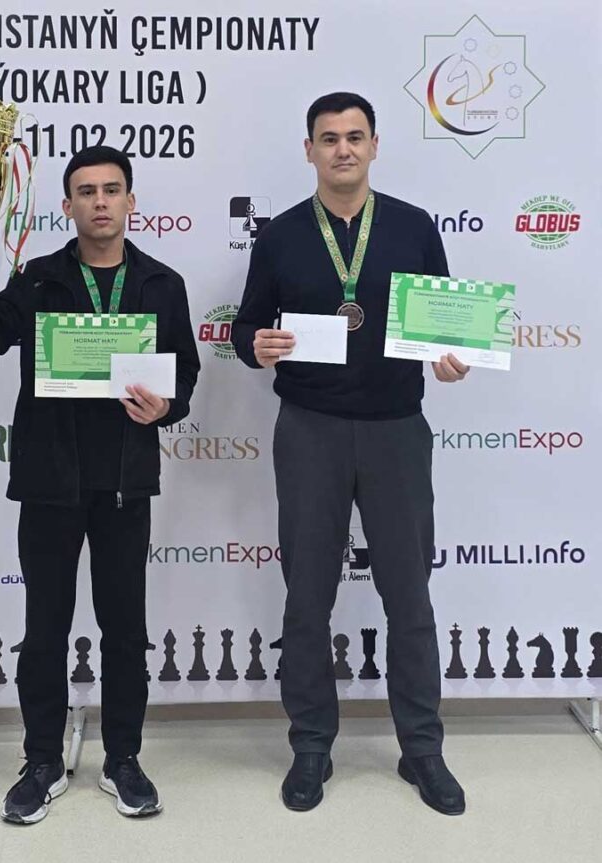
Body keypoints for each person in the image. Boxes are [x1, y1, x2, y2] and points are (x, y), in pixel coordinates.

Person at [0, 145, 199, 823]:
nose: (100, 202)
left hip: (125, 483)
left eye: (112, 190)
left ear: (131, 201)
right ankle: (41, 760)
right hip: (48, 481)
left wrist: (166, 407)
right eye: (86, 191)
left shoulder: (161, 283)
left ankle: (124, 758)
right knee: (45, 628)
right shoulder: (38, 278)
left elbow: (186, 373)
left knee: (125, 629)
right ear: (68, 205)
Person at [231, 93, 468, 816]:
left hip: (397, 427)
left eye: (354, 137)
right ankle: (310, 745)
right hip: (311, 428)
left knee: (410, 595)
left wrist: (450, 359)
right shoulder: (280, 236)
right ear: (309, 150)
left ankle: (422, 749)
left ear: (374, 146)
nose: (342, 149)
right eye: (329, 138)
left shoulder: (414, 227)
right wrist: (256, 345)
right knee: (307, 596)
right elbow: (245, 328)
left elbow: (446, 323)